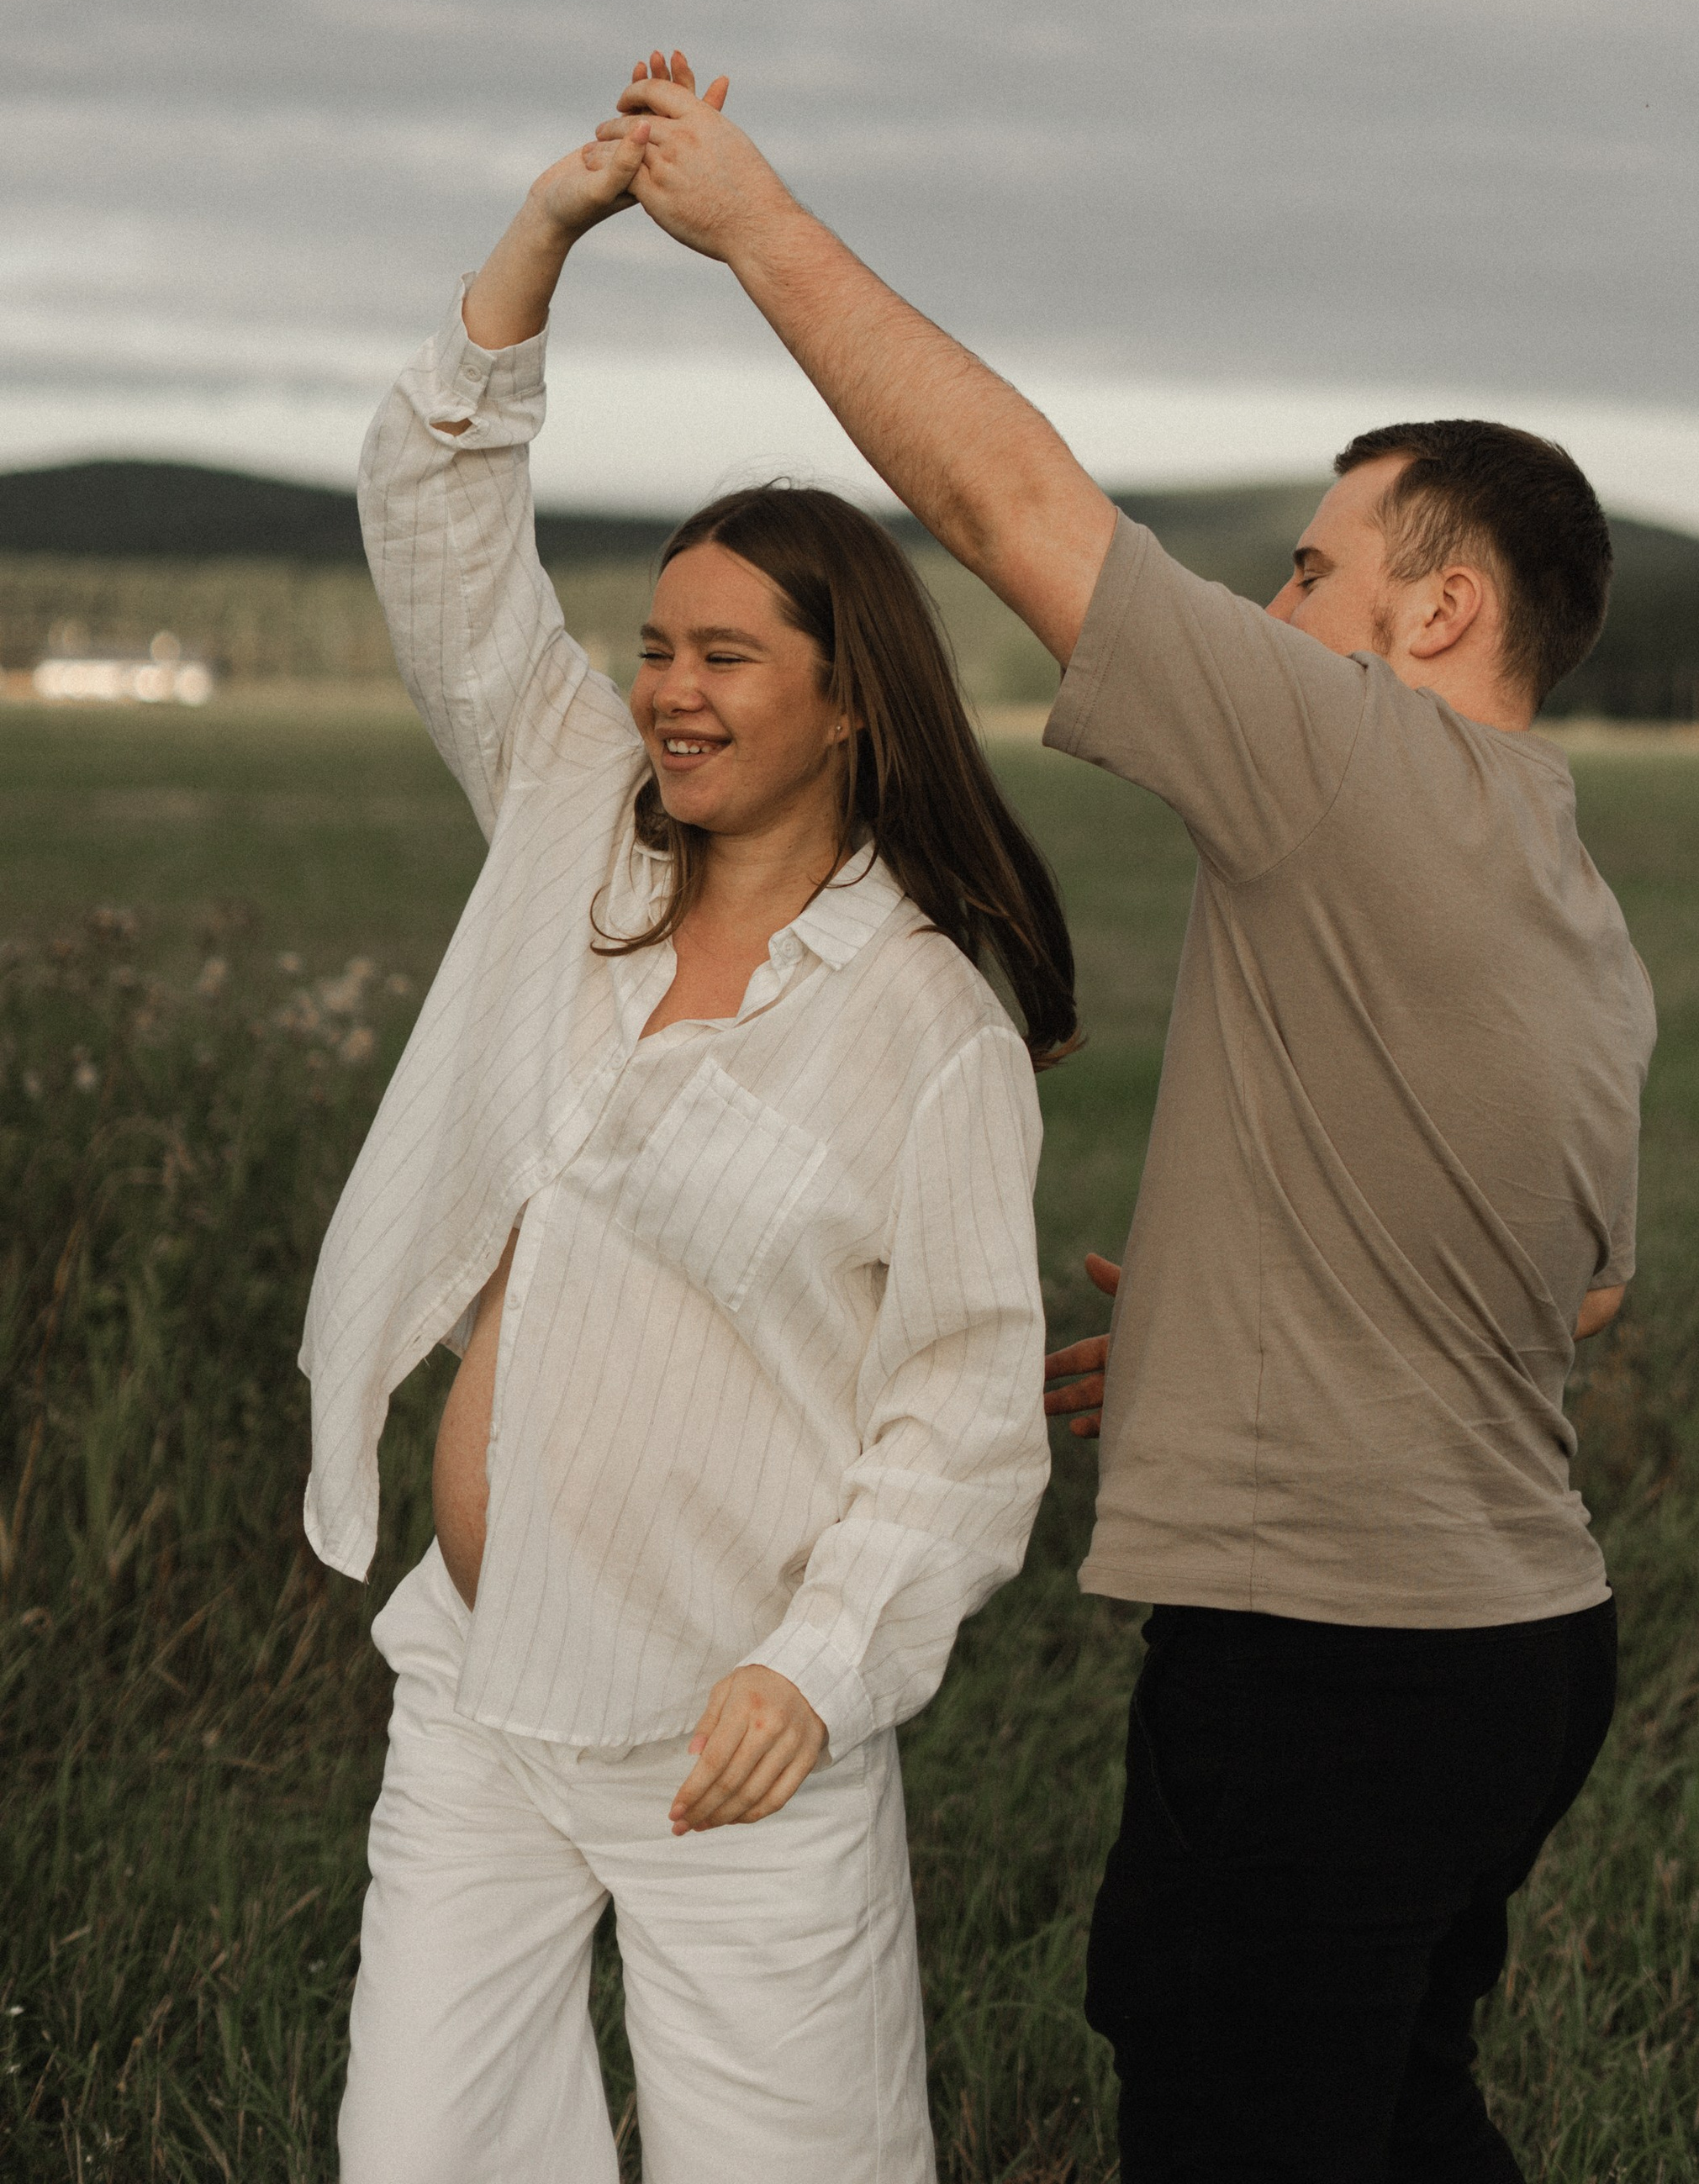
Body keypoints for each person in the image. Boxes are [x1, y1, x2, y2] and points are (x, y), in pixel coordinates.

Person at [594, 52, 1656, 2184]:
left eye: (1305, 568)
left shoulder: (1356, 765)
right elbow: (1584, 1291)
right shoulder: (1564, 890)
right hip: (1515, 1652)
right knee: (1396, 2118)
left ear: (1433, 612)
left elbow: (1006, 508)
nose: (1265, 615)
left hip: (1333, 1667)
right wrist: (1233, 1320)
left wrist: (750, 222)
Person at [301, 124, 1072, 2184]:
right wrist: (548, 228)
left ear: (847, 705)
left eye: (724, 657)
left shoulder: (924, 1029)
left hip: (730, 1734)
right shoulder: (572, 820)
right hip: (476, 1687)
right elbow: (440, 532)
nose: (666, 691)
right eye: (655, 647)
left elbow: (969, 1414)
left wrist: (814, 1676)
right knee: (423, 2158)